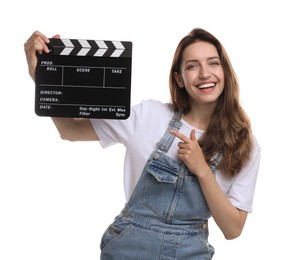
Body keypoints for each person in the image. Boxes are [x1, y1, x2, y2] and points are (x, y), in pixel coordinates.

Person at [24, 28, 261, 259]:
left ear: (225, 71)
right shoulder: (148, 115)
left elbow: (233, 230)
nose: (204, 73)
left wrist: (202, 170)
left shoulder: (243, 143)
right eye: (192, 66)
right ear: (179, 78)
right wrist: (44, 79)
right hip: (127, 249)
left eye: (213, 62)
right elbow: (71, 130)